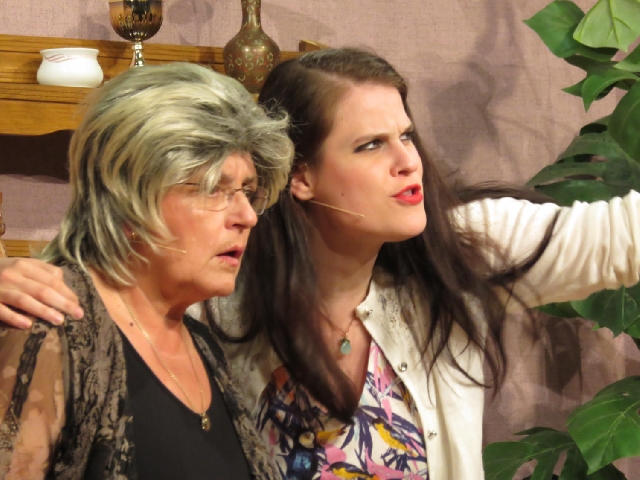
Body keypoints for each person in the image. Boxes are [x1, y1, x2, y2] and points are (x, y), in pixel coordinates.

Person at [2, 48, 640, 479]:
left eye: (407, 135)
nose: (409, 161)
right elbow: (115, 269)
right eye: (371, 145)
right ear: (299, 176)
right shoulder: (221, 292)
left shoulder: (456, 248)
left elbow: (621, 236)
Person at [0, 62, 293, 479]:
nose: (247, 216)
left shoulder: (202, 344)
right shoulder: (51, 325)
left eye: (248, 191)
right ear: (128, 196)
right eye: (214, 189)